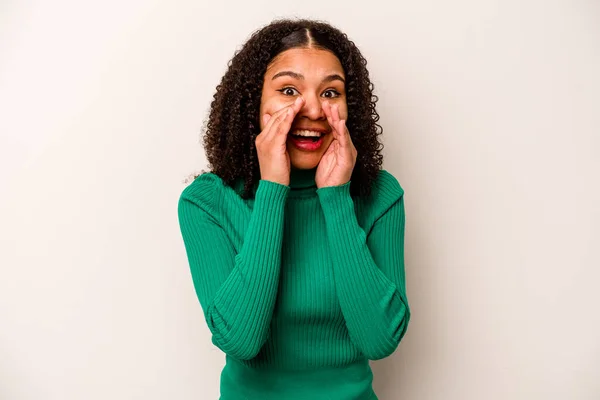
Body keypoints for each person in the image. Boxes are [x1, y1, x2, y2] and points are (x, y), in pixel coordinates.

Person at [178, 18, 410, 400]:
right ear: (255, 104)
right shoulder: (207, 204)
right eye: (289, 90)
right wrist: (273, 189)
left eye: (331, 93)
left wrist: (335, 199)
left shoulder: (380, 196)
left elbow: (379, 340)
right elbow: (240, 339)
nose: (315, 111)